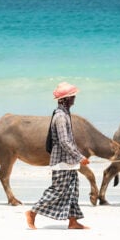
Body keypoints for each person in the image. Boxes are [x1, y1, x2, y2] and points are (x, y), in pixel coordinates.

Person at [25, 82, 90, 230]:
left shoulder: (65, 114)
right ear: (66, 99)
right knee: (58, 190)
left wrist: (77, 158)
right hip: (61, 161)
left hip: (68, 160)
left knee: (73, 189)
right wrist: (80, 157)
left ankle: (73, 222)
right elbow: (64, 141)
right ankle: (32, 212)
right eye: (72, 96)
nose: (74, 98)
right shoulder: (61, 117)